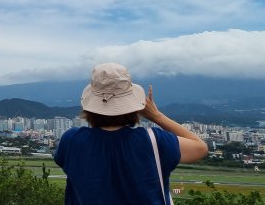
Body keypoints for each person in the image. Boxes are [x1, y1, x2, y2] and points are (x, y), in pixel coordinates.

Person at [54, 63, 208, 204]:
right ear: (135, 106)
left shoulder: (72, 140)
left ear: (89, 106)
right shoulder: (154, 141)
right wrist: (156, 115)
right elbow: (200, 148)